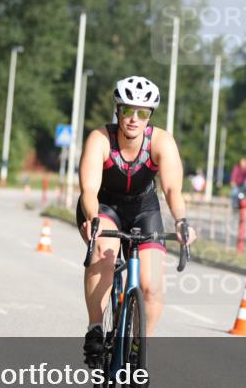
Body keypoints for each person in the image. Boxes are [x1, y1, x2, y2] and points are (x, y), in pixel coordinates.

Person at [76, 75, 197, 367]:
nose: (134, 119)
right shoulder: (100, 139)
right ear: (117, 110)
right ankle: (95, 328)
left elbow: (171, 190)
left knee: (152, 287)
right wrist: (94, 219)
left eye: (142, 113)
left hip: (144, 209)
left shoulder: (161, 141)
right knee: (104, 256)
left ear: (149, 117)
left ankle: (136, 349)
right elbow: (89, 189)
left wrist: (181, 221)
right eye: (128, 110)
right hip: (104, 206)